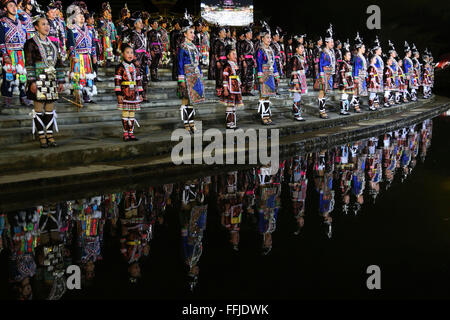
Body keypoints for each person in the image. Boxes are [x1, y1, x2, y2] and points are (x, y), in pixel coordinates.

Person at [24, 16, 65, 148]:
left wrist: (61, 80)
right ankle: (41, 136)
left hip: (51, 79)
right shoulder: (30, 43)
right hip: (38, 79)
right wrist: (31, 81)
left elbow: (59, 63)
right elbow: (29, 63)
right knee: (38, 108)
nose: (47, 26)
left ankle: (50, 135)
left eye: (48, 24)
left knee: (49, 109)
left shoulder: (53, 44)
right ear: (36, 27)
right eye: (43, 24)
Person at [0, 0, 32, 107]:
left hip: (21, 53)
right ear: (5, 9)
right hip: (10, 53)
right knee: (9, 76)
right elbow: (1, 41)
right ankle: (7, 99)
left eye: (14, 6)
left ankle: (23, 97)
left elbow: (27, 38)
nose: (14, 8)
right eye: (10, 6)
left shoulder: (22, 22)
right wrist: (5, 54)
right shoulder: (2, 22)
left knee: (23, 76)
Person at [177, 13, 205, 133]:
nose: (193, 35)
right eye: (190, 33)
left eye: (193, 33)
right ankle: (186, 123)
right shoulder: (182, 47)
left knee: (192, 100)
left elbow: (197, 62)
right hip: (186, 75)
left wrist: (200, 75)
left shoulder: (194, 47)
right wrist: (181, 79)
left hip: (195, 75)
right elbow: (180, 63)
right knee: (185, 99)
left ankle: (192, 122)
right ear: (184, 34)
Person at [66, 3, 97, 106]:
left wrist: (94, 56)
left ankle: (86, 95)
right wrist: (73, 55)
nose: (82, 17)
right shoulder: (72, 29)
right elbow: (70, 44)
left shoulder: (90, 30)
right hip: (78, 57)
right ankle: (77, 95)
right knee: (78, 76)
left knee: (87, 76)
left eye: (83, 16)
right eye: (79, 15)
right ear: (74, 17)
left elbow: (93, 44)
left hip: (87, 57)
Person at [115, 43, 143, 141]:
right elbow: (117, 82)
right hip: (125, 93)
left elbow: (138, 81)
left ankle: (131, 133)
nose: (130, 54)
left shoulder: (136, 67)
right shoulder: (120, 67)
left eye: (131, 52)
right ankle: (125, 133)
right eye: (127, 52)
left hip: (134, 94)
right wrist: (118, 94)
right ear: (122, 54)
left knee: (132, 113)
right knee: (125, 113)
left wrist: (141, 93)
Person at [256, 22, 280, 125]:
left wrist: (276, 74)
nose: (269, 39)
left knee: (268, 95)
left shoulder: (271, 50)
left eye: (270, 37)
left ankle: (267, 115)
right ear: (262, 39)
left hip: (270, 75)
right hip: (263, 74)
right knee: (263, 95)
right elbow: (258, 63)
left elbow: (274, 64)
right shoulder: (260, 50)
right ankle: (264, 116)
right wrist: (260, 76)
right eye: (267, 38)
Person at [220, 45, 243, 129]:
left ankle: (233, 122)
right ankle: (229, 123)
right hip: (230, 88)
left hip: (235, 87)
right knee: (230, 105)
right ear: (228, 56)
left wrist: (239, 84)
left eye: (235, 54)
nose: (235, 56)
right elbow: (225, 78)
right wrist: (225, 89)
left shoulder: (234, 64)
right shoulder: (227, 66)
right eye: (233, 54)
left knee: (233, 106)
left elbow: (237, 76)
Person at [129, 12, 150, 102]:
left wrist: (148, 58)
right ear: (135, 24)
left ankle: (144, 95)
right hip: (137, 58)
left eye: (142, 22)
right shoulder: (133, 35)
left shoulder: (143, 35)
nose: (142, 24)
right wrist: (134, 59)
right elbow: (131, 48)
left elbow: (146, 47)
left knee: (145, 78)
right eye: (139, 22)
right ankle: (138, 95)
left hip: (144, 58)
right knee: (138, 77)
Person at [316, 24, 335, 119]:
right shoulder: (323, 52)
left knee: (325, 92)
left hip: (329, 74)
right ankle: (321, 111)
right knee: (322, 91)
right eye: (331, 42)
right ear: (327, 42)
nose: (333, 43)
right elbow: (321, 65)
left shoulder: (331, 52)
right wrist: (322, 77)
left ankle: (323, 109)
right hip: (324, 74)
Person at [288, 38, 308, 121]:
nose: (303, 50)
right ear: (296, 49)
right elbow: (294, 70)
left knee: (299, 97)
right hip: (296, 79)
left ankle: (298, 113)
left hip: (302, 78)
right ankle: (296, 114)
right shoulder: (295, 58)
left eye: (303, 48)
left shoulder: (301, 57)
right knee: (297, 97)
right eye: (301, 48)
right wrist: (296, 82)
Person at [337, 40, 355, 115]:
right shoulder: (343, 64)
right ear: (344, 56)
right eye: (348, 55)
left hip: (349, 81)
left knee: (346, 95)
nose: (350, 57)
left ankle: (345, 109)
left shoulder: (348, 63)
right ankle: (342, 110)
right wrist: (344, 82)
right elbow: (341, 73)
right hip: (344, 82)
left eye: (350, 55)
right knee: (343, 96)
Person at [98, 2, 117, 66]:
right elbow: (99, 29)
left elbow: (111, 30)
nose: (107, 13)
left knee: (108, 50)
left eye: (108, 12)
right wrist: (103, 31)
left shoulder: (109, 21)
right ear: (103, 12)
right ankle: (102, 61)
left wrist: (112, 38)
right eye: (106, 12)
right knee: (102, 49)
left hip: (108, 38)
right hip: (102, 38)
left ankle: (108, 61)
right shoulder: (101, 20)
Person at [352, 32, 367, 112]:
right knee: (356, 91)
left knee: (358, 91)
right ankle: (356, 106)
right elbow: (356, 67)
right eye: (363, 47)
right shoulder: (358, 56)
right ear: (360, 48)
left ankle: (356, 105)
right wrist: (356, 77)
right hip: (358, 76)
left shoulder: (361, 56)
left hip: (362, 75)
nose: (364, 49)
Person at [238, 26, 255, 96]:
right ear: (246, 34)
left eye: (251, 33)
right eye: (250, 33)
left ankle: (248, 90)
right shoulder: (243, 42)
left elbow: (253, 53)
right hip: (245, 61)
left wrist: (254, 61)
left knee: (250, 75)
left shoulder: (251, 42)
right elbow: (241, 53)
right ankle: (243, 90)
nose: (251, 34)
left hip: (251, 60)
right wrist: (244, 61)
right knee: (245, 75)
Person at [212, 26, 227, 96]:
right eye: (223, 32)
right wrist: (217, 61)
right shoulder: (217, 42)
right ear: (219, 33)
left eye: (225, 32)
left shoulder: (225, 41)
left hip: (225, 60)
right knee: (219, 76)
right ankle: (219, 90)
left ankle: (225, 90)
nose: (225, 33)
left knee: (225, 75)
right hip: (220, 61)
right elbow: (214, 52)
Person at [147, 17, 162, 82]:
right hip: (153, 49)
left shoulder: (158, 32)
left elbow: (160, 41)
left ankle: (156, 76)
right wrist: (151, 50)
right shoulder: (150, 33)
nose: (156, 24)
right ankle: (153, 77)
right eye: (155, 23)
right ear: (151, 25)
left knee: (156, 63)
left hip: (158, 49)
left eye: (157, 23)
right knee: (153, 63)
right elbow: (149, 42)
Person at [372, 36, 384, 108]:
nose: (381, 51)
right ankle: (374, 103)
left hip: (380, 75)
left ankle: (376, 103)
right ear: (376, 50)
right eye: (380, 50)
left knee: (377, 90)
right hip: (376, 75)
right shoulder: (375, 57)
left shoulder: (379, 57)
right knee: (374, 89)